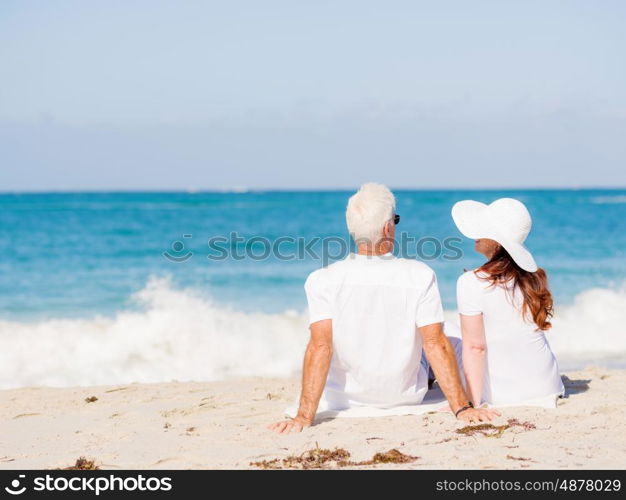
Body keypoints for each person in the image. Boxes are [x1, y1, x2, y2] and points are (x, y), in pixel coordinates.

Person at [269, 184, 499, 434]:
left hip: (342, 400)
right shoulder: (419, 275)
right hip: (405, 396)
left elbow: (320, 347)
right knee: (448, 335)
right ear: (388, 227)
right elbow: (435, 344)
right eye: (395, 220)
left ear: (352, 228)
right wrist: (462, 408)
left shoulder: (321, 279)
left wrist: (303, 417)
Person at [452, 197, 565, 408]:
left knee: (449, 334)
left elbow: (476, 347)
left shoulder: (471, 282)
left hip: (506, 394)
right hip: (548, 387)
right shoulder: (532, 277)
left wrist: (472, 404)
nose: (475, 234)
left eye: (482, 228)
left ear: (496, 241)